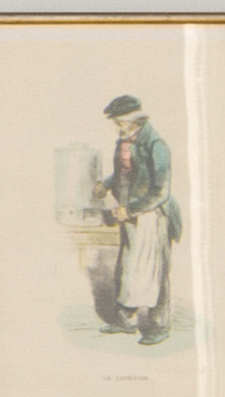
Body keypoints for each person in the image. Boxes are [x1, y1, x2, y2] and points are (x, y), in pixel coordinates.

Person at [70, 87, 182, 345]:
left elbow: (161, 192)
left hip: (154, 216)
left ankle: (158, 327)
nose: (117, 127)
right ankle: (125, 321)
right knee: (129, 267)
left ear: (134, 121)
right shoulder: (124, 142)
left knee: (155, 271)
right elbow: (126, 172)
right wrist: (107, 184)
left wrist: (129, 209)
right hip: (130, 216)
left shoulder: (156, 145)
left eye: (119, 122)